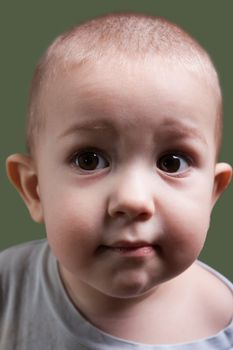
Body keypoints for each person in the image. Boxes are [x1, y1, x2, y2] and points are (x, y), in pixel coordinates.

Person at [1, 12, 232, 350]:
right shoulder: (10, 285)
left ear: (212, 193)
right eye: (89, 160)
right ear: (35, 190)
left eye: (171, 162)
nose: (133, 200)